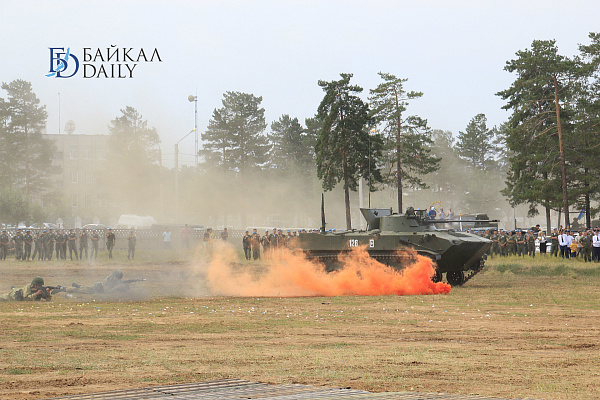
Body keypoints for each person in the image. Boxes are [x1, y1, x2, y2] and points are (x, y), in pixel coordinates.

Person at [69, 270, 139, 295]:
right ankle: (64, 288)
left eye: (118, 278)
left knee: (84, 287)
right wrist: (116, 287)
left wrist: (126, 286)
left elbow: (124, 290)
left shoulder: (117, 281)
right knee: (79, 290)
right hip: (95, 288)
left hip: (98, 288)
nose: (117, 279)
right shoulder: (107, 280)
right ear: (113, 276)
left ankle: (78, 285)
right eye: (116, 277)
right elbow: (106, 292)